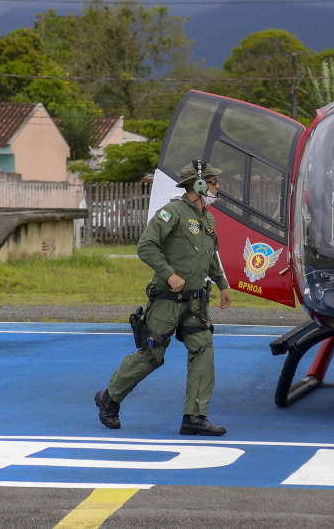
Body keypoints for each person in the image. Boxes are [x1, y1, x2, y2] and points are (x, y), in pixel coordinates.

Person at [95, 162, 233, 436]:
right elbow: (146, 246)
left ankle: (194, 417)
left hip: (195, 303)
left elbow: (209, 254)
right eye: (214, 181)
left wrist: (222, 284)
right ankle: (109, 398)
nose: (218, 187)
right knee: (151, 356)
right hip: (167, 301)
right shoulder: (171, 213)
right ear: (199, 184)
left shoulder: (208, 218)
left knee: (203, 351)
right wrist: (169, 274)